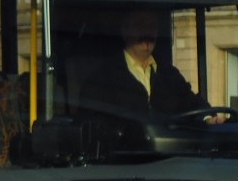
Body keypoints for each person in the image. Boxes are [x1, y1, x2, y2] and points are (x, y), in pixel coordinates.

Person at [81, 9, 224, 124]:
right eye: (140, 25)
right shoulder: (101, 79)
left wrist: (208, 119)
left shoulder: (170, 75)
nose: (147, 32)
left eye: (152, 26)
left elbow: (195, 105)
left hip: (173, 156)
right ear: (125, 31)